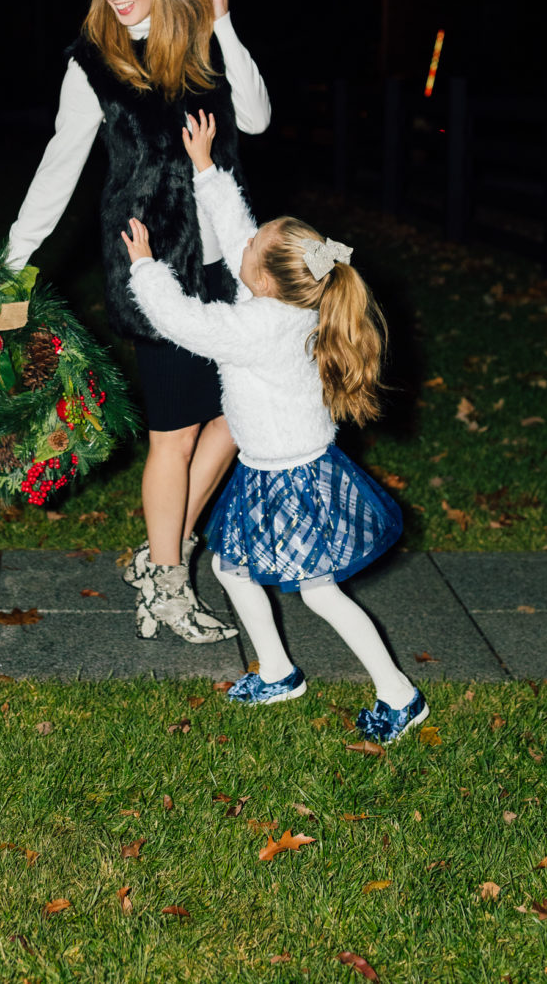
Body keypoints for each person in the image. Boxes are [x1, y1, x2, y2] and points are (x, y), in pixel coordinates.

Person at [6, 0, 271, 642]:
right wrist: (14, 260)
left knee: (242, 413)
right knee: (176, 434)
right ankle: (166, 584)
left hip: (232, 264)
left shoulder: (200, 44)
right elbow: (59, 165)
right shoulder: (93, 61)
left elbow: (253, 117)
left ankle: (161, 551)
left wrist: (222, 22)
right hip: (152, 265)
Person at [120, 110, 427, 743]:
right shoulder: (284, 299)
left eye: (260, 240)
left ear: (262, 279)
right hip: (276, 470)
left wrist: (146, 268)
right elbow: (240, 237)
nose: (249, 236)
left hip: (292, 480)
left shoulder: (260, 328)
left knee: (319, 593)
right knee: (235, 569)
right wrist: (206, 168)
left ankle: (399, 694)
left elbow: (185, 323)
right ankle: (280, 671)